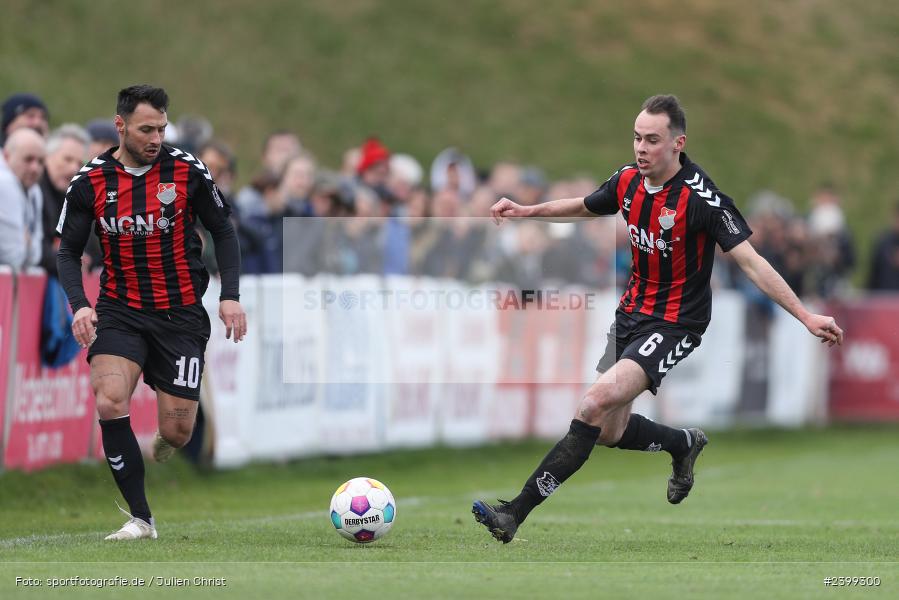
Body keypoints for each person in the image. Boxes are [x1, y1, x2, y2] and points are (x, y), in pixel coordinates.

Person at [472, 94, 844, 543]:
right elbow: (586, 204)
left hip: (675, 324)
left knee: (592, 404)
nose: (641, 148)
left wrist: (804, 315)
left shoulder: (703, 199)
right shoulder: (629, 180)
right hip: (629, 314)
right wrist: (527, 211)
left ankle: (513, 513)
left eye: (652, 140)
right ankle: (681, 443)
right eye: (636, 138)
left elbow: (751, 261)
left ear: (677, 143)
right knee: (608, 430)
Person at [56, 85, 247, 541]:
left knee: (178, 431)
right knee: (109, 398)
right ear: (120, 126)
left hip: (180, 314)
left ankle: (169, 437)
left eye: (161, 127)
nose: (156, 137)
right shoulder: (91, 180)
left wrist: (231, 294)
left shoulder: (185, 169)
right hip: (120, 310)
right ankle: (141, 519)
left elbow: (222, 228)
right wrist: (80, 305)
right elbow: (67, 252)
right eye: (146, 129)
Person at [39, 124, 94, 276]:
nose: (73, 169)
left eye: (79, 163)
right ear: (47, 156)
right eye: (67, 159)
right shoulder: (34, 189)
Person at [0, 128, 45, 269]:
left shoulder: (34, 190)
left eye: (40, 161)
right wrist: (26, 243)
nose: (35, 168)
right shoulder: (5, 182)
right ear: (7, 156)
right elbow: (13, 256)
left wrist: (26, 243)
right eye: (28, 159)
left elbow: (36, 256)